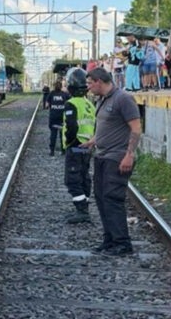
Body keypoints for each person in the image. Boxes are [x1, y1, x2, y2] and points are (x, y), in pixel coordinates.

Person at [82, 67, 141, 256]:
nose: (88, 87)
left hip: (117, 157)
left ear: (99, 81)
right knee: (101, 198)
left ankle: (122, 243)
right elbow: (107, 126)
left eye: (90, 83)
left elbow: (136, 128)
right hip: (102, 156)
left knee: (112, 199)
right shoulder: (102, 100)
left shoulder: (123, 99)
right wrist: (94, 141)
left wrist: (129, 154)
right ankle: (109, 240)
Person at [62, 68, 96, 224]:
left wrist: (69, 143)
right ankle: (84, 207)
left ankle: (82, 211)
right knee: (84, 177)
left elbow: (71, 127)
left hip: (76, 147)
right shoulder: (89, 105)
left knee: (72, 179)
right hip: (87, 147)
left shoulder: (71, 104)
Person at [46, 81, 69, 156]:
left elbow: (47, 105)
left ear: (54, 86)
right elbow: (69, 102)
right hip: (62, 117)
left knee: (53, 134)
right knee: (62, 134)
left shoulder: (51, 94)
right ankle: (63, 150)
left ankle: (52, 151)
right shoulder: (64, 94)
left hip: (53, 117)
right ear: (61, 86)